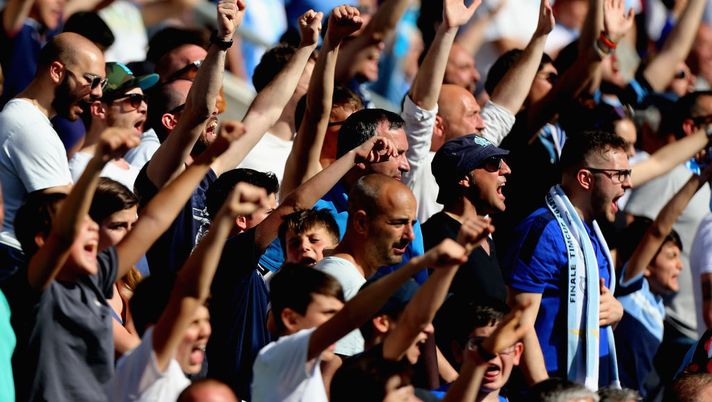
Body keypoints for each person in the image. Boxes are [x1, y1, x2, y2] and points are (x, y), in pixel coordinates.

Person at [251, 238, 469, 402]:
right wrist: (417, 264)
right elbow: (351, 316)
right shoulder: (277, 357)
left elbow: (417, 321)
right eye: (329, 314)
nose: (338, 327)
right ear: (291, 319)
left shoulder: (314, 369)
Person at [106, 183, 269, 402]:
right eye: (192, 323)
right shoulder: (143, 368)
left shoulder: (174, 376)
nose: (204, 332)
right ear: (157, 329)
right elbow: (190, 288)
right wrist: (225, 218)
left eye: (204, 321)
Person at [505, 130, 627, 388]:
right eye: (619, 175)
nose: (628, 184)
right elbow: (519, 321)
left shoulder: (593, 234)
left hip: (589, 387)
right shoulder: (542, 231)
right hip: (550, 388)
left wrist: (615, 313)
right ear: (586, 178)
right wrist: (545, 392)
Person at [0, 32, 105, 280]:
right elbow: (64, 216)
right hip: (14, 262)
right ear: (57, 71)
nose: (98, 93)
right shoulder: (29, 126)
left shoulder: (31, 122)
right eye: (92, 81)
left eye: (103, 83)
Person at [614, 162, 712, 395]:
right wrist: (700, 178)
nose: (680, 265)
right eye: (671, 256)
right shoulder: (631, 288)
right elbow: (659, 229)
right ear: (646, 265)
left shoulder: (658, 308)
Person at [312, 174, 418, 356]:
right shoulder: (344, 283)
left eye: (412, 224)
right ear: (361, 223)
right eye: (398, 223)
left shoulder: (346, 278)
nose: (410, 235)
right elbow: (330, 369)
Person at [423, 135, 511, 305]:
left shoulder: (485, 237)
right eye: (494, 162)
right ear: (464, 178)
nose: (507, 169)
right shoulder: (435, 237)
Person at [70, 62, 159, 190]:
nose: (144, 107)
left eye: (145, 99)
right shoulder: (81, 169)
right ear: (99, 110)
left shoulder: (134, 171)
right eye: (134, 100)